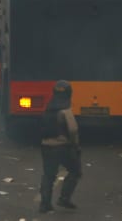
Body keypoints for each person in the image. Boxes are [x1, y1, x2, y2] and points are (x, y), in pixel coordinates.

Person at [39, 80, 81, 213]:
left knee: (48, 175)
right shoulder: (65, 110)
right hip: (62, 147)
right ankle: (64, 198)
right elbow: (73, 129)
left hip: (46, 146)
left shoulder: (48, 108)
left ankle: (44, 204)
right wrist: (75, 145)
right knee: (75, 171)